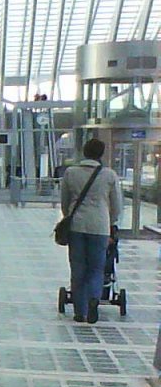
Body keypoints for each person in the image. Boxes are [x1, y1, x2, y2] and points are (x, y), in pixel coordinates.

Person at [60, 138, 123, 323]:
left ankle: (80, 311)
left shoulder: (71, 173)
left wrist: (68, 216)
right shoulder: (109, 175)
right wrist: (111, 222)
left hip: (77, 226)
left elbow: (64, 201)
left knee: (78, 268)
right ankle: (94, 299)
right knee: (96, 268)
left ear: (84, 152)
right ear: (101, 154)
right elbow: (116, 205)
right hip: (100, 227)